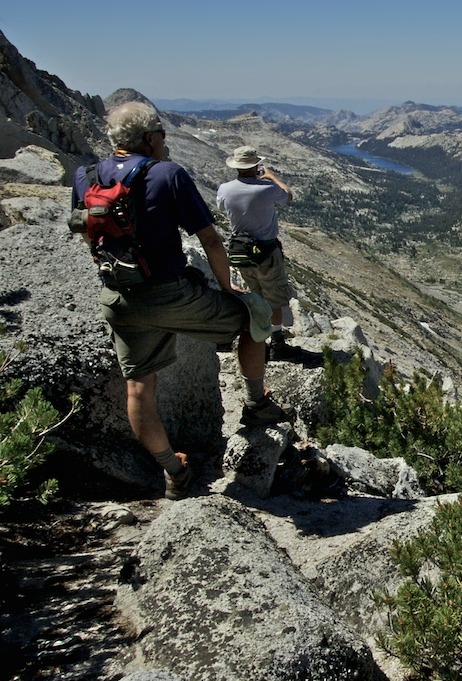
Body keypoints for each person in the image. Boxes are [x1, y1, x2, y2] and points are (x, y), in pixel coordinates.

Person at [70, 102, 295, 500]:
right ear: (149, 138)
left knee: (139, 389)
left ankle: (174, 471)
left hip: (120, 297)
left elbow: (90, 234)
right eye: (162, 133)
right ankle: (257, 403)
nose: (165, 140)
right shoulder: (166, 174)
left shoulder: (84, 176)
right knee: (254, 316)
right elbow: (209, 239)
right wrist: (228, 289)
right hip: (171, 293)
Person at [216, 146, 297, 360]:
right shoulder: (266, 189)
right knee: (275, 297)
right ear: (255, 166)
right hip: (266, 252)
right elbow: (288, 196)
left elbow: (222, 208)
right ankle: (278, 341)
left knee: (255, 294)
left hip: (240, 252)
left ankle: (259, 339)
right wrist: (271, 176)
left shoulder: (225, 189)